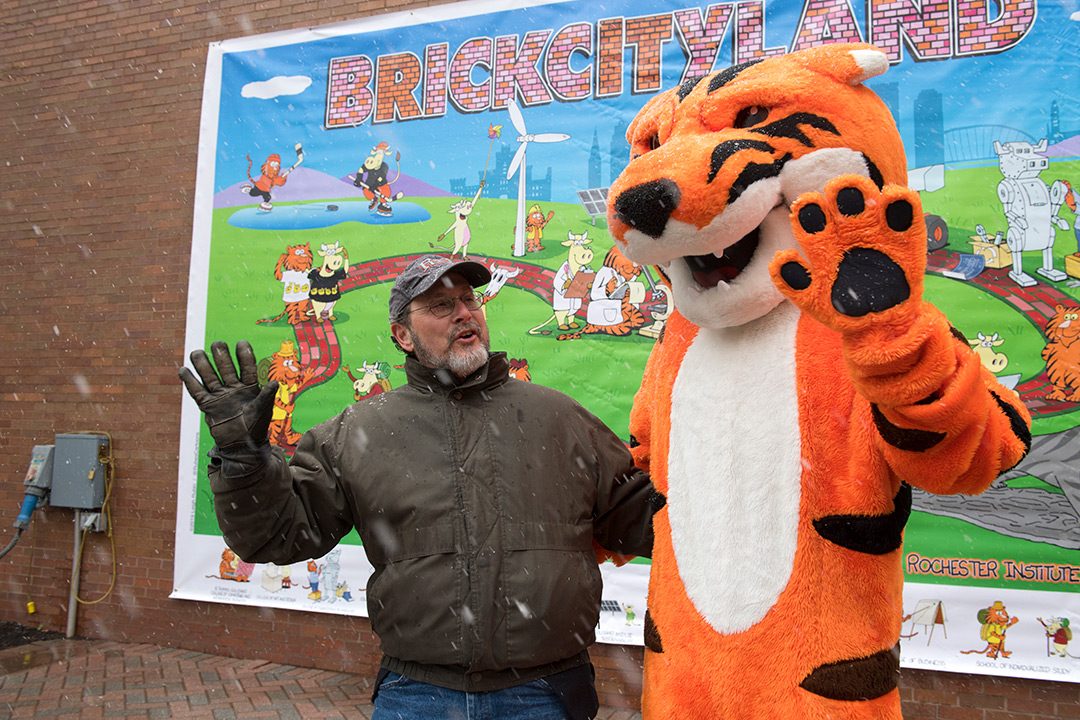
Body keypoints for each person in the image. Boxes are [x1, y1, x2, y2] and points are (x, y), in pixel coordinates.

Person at [178, 254, 657, 720]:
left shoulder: (560, 417)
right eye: (441, 306)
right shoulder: (355, 433)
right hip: (417, 696)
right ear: (401, 335)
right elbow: (274, 535)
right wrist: (243, 459)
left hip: (547, 695)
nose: (464, 313)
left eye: (470, 300)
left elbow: (641, 522)